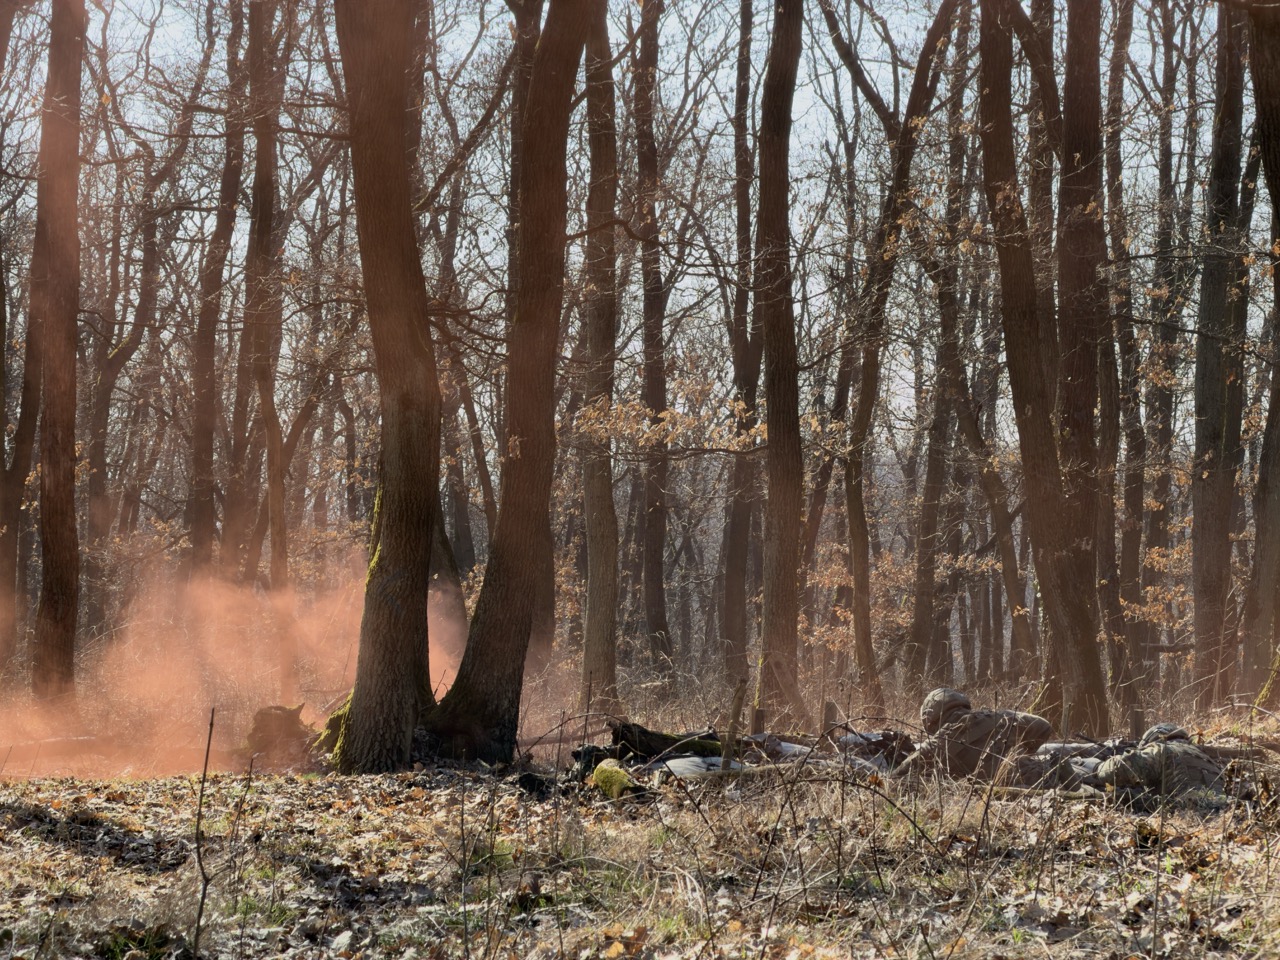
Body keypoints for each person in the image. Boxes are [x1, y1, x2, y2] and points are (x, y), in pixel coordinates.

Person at [892, 688, 1052, 780]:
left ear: (931, 720)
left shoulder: (939, 743)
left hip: (1020, 793)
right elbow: (1043, 726)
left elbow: (895, 777)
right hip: (1046, 779)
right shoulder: (999, 717)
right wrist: (1019, 752)